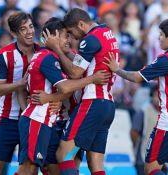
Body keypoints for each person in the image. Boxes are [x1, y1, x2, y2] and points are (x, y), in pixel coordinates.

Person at [16, 17, 110, 175]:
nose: (70, 39)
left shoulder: (69, 57)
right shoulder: (47, 57)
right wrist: (92, 79)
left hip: (62, 120)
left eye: (70, 35)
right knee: (30, 168)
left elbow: (68, 86)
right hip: (43, 120)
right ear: (52, 37)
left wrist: (53, 98)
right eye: (65, 35)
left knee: (57, 168)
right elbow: (66, 86)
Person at [105, 17, 168, 175]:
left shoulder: (167, 59)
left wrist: (116, 69)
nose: (158, 38)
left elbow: (136, 77)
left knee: (151, 169)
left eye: (161, 35)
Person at [43, 8, 119, 175]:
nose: (73, 37)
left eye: (72, 32)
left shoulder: (90, 39)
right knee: (96, 164)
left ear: (81, 24)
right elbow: (86, 63)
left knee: (63, 154)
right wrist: (67, 52)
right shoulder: (107, 33)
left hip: (92, 102)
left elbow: (74, 73)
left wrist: (56, 49)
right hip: (108, 105)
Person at [0, 12, 40, 175]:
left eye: (30, 26)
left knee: (30, 169)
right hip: (7, 119)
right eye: (23, 29)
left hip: (33, 119)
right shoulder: (3, 55)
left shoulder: (43, 52)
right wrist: (20, 84)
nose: (29, 31)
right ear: (13, 33)